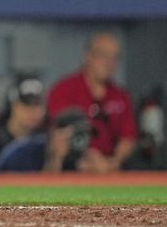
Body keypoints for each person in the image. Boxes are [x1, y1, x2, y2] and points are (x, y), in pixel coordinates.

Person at [47, 33, 138, 173]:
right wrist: (91, 159)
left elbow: (128, 138)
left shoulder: (120, 95)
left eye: (115, 57)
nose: (109, 63)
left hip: (110, 168)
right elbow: (58, 136)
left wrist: (113, 162)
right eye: (103, 55)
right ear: (87, 55)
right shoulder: (64, 90)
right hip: (71, 166)